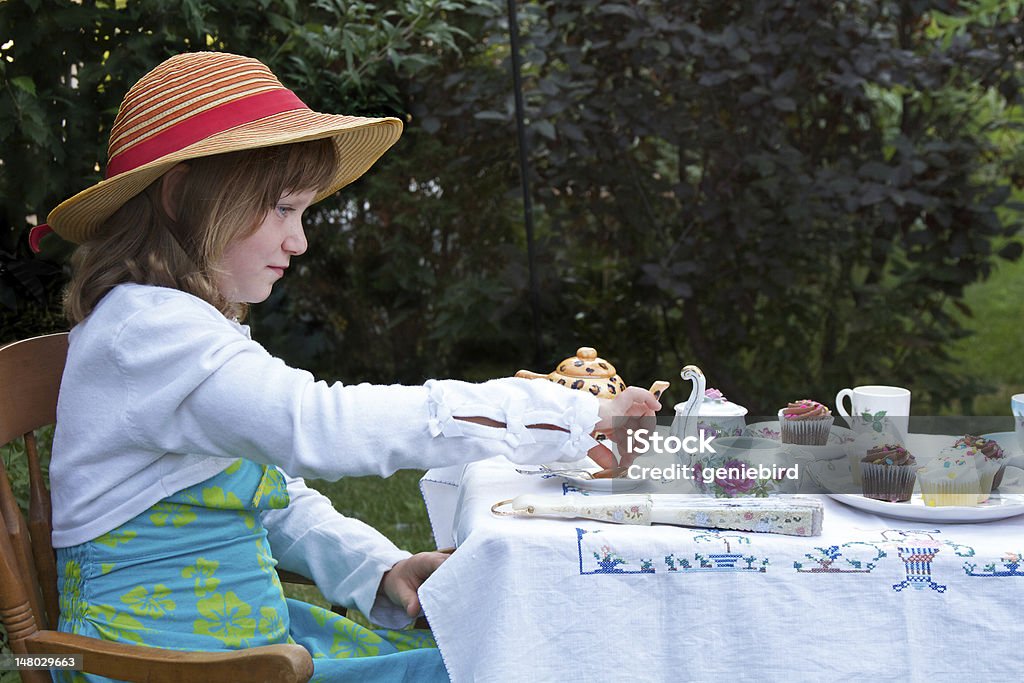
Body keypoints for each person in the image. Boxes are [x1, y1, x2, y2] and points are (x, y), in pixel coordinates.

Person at [35, 52, 660, 682]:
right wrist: (560, 410)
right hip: (162, 664)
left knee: (502, 658)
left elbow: (267, 499)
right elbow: (316, 425)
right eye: (281, 207)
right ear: (181, 195)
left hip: (241, 644)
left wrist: (378, 568)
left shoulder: (171, 329)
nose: (298, 240)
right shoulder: (149, 330)